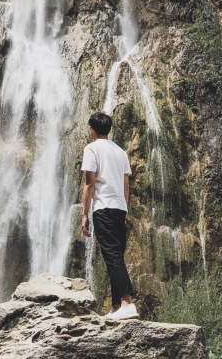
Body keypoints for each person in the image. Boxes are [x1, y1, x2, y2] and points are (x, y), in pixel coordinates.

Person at [81, 111, 138, 320]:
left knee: (112, 256)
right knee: (116, 257)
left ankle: (127, 303)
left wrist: (84, 214)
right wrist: (124, 210)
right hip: (119, 208)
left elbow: (90, 183)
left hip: (103, 207)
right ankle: (116, 307)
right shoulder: (121, 152)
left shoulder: (92, 148)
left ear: (92, 129)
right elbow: (125, 185)